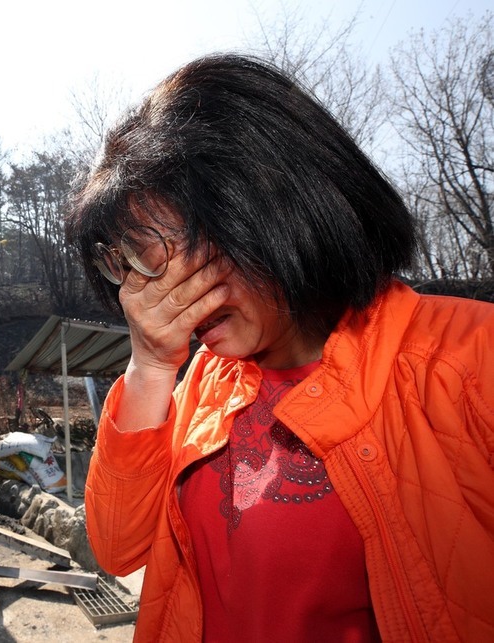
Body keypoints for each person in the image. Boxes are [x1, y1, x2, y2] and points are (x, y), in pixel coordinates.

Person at [66, 53, 494, 642]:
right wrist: (149, 366)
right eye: (129, 271)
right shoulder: (206, 383)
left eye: (159, 254)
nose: (147, 297)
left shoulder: (470, 356)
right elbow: (117, 548)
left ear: (270, 204)